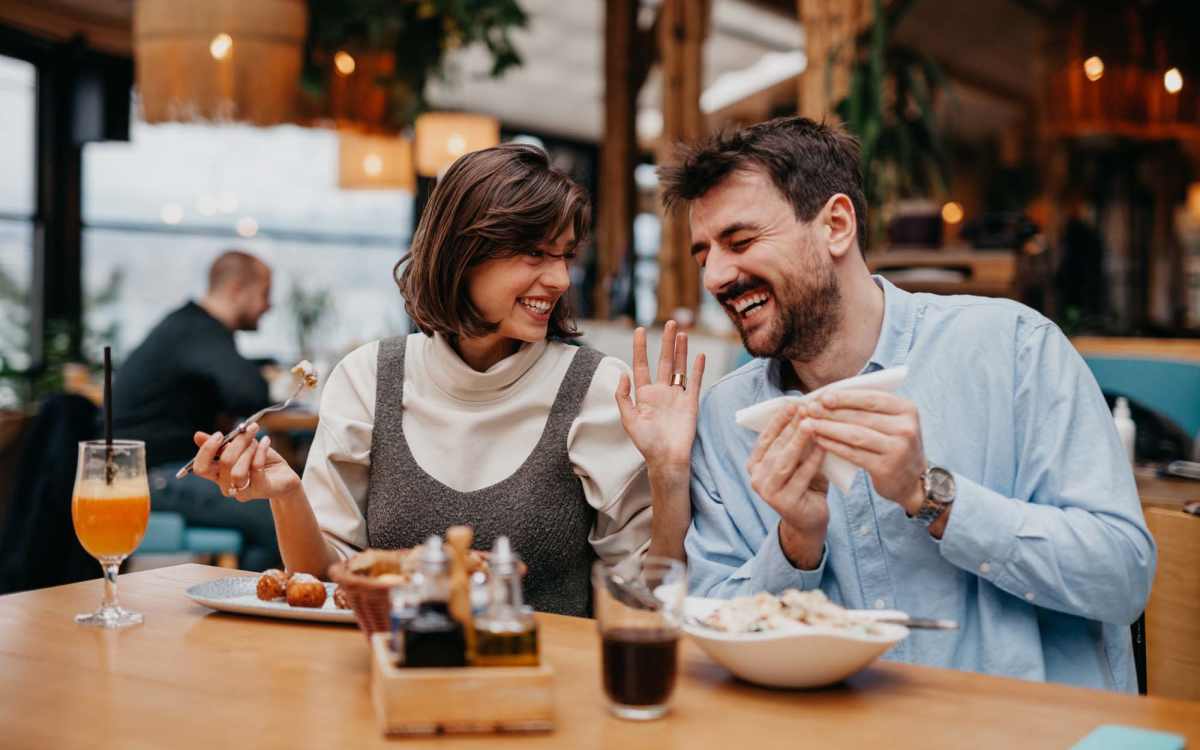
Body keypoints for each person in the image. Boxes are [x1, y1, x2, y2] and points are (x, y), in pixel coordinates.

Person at [658, 116, 1155, 692]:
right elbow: (711, 624)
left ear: (836, 225)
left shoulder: (1014, 348)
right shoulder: (723, 419)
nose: (716, 275)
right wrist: (795, 544)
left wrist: (932, 495)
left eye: (740, 242)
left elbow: (1123, 577)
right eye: (703, 256)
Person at [185, 144, 702, 616]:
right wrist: (287, 496)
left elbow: (644, 593)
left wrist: (669, 475)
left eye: (565, 255)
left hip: (546, 687)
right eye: (535, 254)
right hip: (388, 678)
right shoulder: (369, 378)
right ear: (463, 254)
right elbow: (322, 583)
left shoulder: (596, 388)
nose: (561, 279)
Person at [113, 250, 281, 571]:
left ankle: (246, 601)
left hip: (155, 469)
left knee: (273, 505)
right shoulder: (199, 330)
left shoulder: (187, 327)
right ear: (236, 289)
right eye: (264, 293)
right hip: (153, 476)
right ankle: (250, 608)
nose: (268, 305)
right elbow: (250, 393)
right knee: (275, 514)